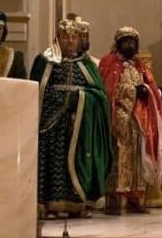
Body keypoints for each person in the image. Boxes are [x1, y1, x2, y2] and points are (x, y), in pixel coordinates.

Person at [30, 18, 112, 219]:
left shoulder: (87, 64)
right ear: (57, 38)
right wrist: (60, 99)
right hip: (51, 124)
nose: (69, 41)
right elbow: (35, 90)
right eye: (65, 37)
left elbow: (100, 96)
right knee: (52, 164)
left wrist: (81, 98)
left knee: (77, 162)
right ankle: (48, 204)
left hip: (79, 124)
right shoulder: (45, 60)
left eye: (74, 37)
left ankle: (77, 204)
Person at [98, 27, 162, 215]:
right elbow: (108, 90)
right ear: (118, 43)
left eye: (132, 42)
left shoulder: (140, 65)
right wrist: (132, 91)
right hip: (119, 118)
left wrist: (146, 91)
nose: (129, 45)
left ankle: (135, 198)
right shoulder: (109, 63)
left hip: (139, 119)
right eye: (126, 41)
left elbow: (150, 87)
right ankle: (115, 199)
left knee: (138, 157)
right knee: (119, 157)